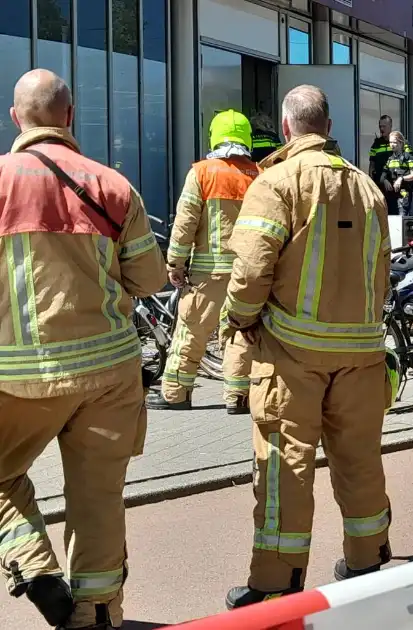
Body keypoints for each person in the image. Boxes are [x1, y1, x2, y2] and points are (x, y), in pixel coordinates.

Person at [0, 69, 166, 630]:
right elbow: (149, 279)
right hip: (109, 373)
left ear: (16, 118)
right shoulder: (113, 186)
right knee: (98, 499)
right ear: (70, 117)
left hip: (15, 377)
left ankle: (34, 567)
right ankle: (96, 616)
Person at [221, 85, 394, 607]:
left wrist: (241, 318)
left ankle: (276, 580)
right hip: (361, 352)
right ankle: (368, 560)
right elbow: (382, 271)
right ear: (328, 123)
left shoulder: (275, 183)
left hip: (292, 353)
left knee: (284, 463)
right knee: (360, 458)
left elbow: (251, 267)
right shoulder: (368, 189)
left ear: (288, 126)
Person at [146, 110, 259, 413]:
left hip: (206, 276)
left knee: (190, 332)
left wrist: (175, 264)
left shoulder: (203, 172)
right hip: (247, 274)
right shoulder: (258, 175)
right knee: (238, 333)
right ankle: (238, 397)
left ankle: (176, 394)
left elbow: (185, 223)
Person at [383, 131, 413, 215]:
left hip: (403, 195)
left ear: (401, 143)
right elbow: (383, 174)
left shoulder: (408, 157)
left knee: (401, 220)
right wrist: (385, 180)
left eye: (394, 142)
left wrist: (401, 178)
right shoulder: (389, 158)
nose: (392, 144)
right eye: (390, 142)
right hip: (391, 196)